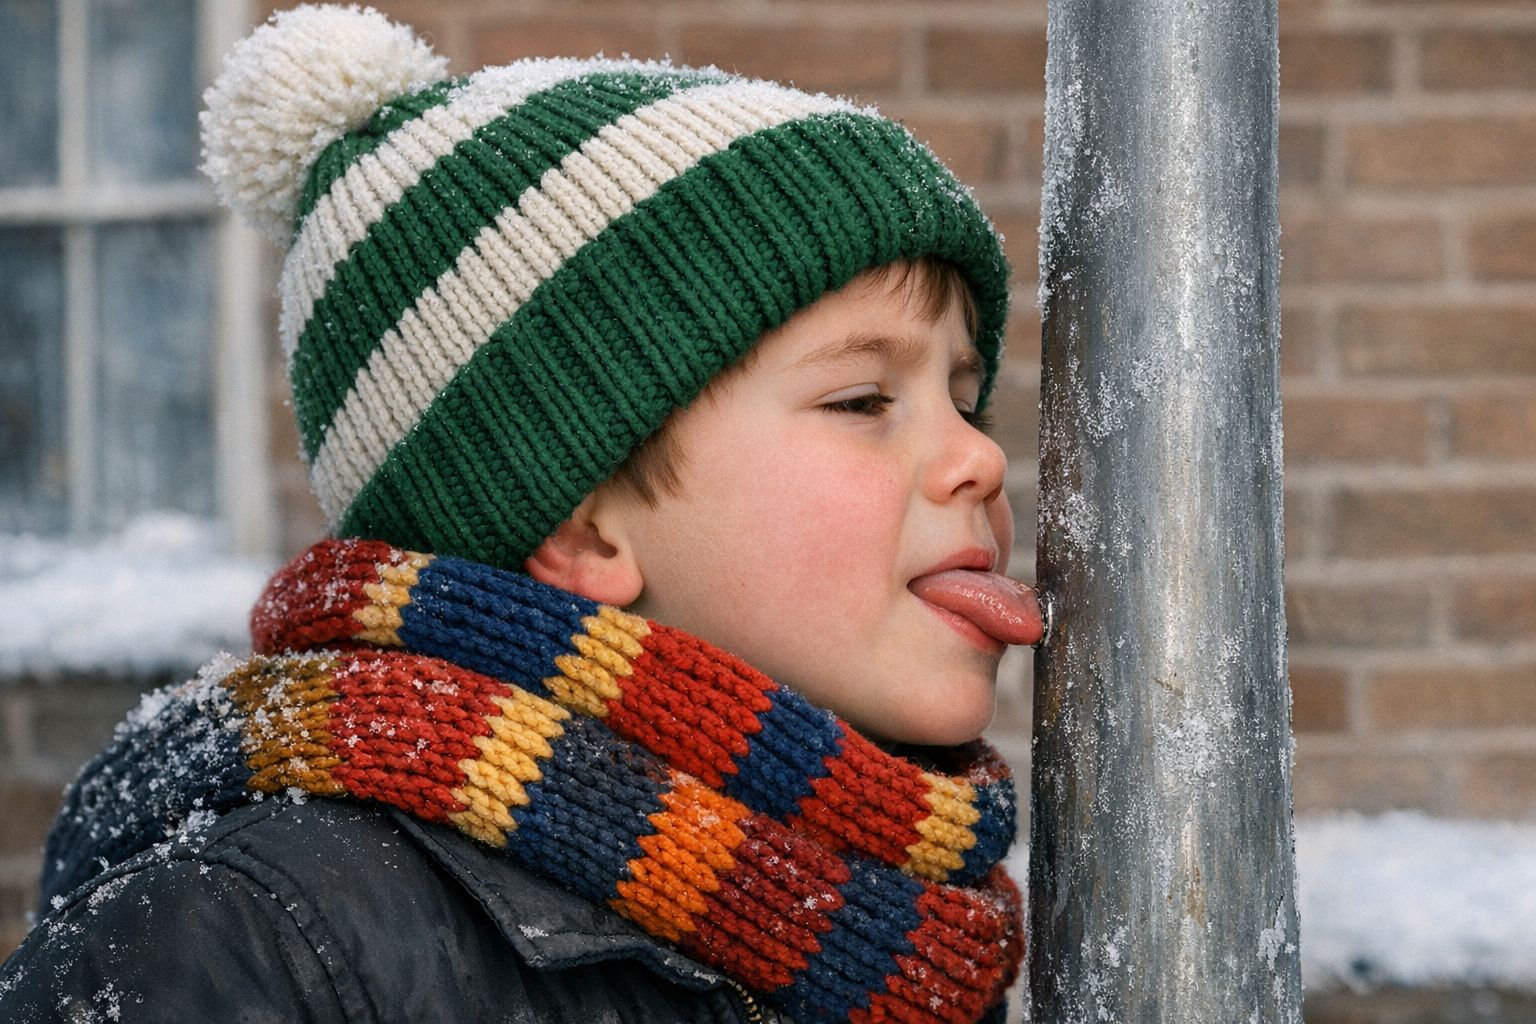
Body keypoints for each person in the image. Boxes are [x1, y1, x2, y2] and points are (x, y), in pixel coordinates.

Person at [0, 6, 1044, 1022]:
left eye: (965, 397)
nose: (979, 457)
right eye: (864, 401)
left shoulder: (897, 937)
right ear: (583, 525)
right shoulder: (254, 936)